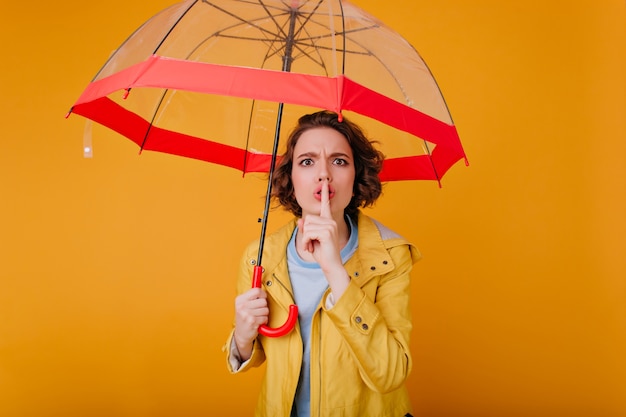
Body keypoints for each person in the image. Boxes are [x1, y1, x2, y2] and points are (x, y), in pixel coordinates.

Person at [223, 110, 421, 417]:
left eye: (339, 161)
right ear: (291, 178)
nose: (324, 173)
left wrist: (334, 270)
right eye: (307, 161)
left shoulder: (391, 256)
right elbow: (256, 353)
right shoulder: (259, 256)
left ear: (357, 177)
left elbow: (390, 373)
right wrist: (242, 336)